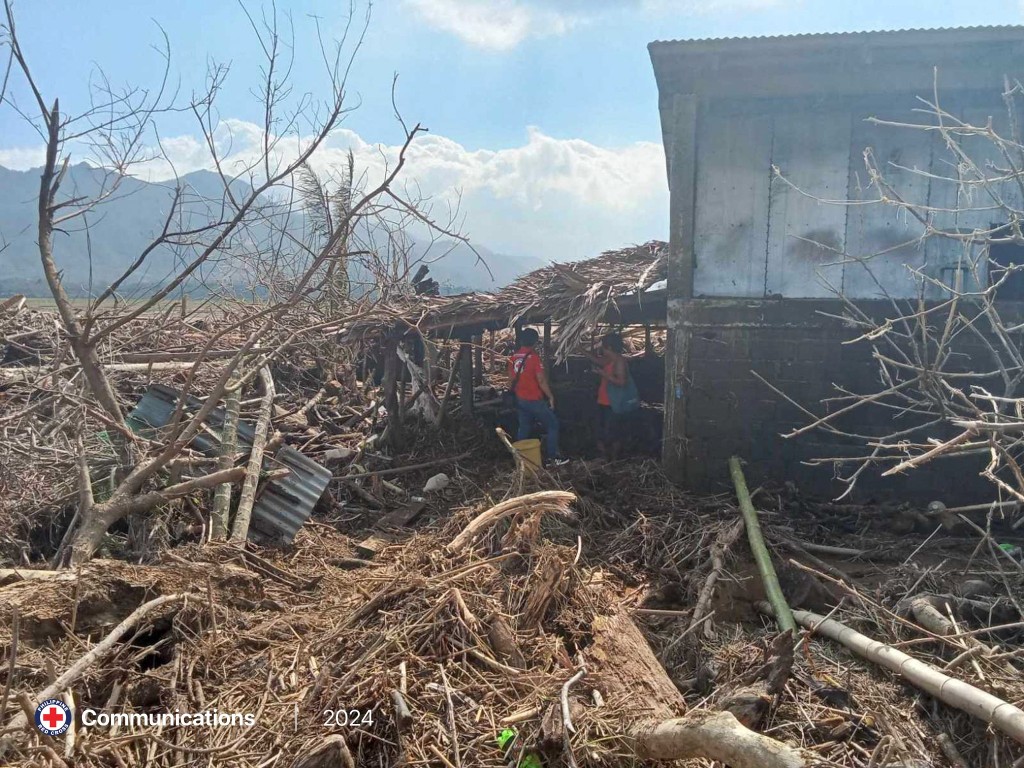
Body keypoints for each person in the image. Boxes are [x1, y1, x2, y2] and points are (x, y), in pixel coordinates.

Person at [507, 328, 561, 463]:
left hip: (520, 399)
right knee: (553, 425)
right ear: (535, 342)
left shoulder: (512, 358)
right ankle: (552, 458)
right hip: (534, 399)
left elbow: (511, 380)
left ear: (521, 341)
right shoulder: (534, 358)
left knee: (524, 426)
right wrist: (550, 396)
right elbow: (541, 380)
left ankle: (520, 458)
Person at [588, 331, 633, 460]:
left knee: (612, 432)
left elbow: (622, 382)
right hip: (604, 401)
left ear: (610, 348)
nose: (601, 348)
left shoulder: (619, 362)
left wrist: (603, 374)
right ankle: (606, 457)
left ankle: (613, 459)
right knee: (602, 430)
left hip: (613, 403)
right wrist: (580, 350)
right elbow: (598, 361)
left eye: (603, 346)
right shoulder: (611, 359)